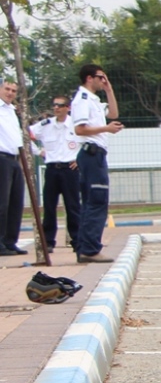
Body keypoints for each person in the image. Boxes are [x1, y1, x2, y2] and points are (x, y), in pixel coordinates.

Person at [70, 64, 122, 264]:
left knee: (92, 202)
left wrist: (109, 90)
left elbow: (114, 114)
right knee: (97, 201)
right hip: (91, 154)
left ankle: (85, 248)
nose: (104, 81)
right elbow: (80, 129)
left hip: (96, 154)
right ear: (89, 78)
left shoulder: (94, 100)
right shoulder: (82, 99)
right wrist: (106, 129)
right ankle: (90, 249)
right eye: (101, 77)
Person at [30, 96, 80, 253]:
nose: (57, 108)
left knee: (73, 206)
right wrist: (38, 151)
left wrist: (80, 159)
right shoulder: (46, 125)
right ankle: (48, 242)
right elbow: (26, 135)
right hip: (52, 169)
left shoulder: (75, 124)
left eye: (61, 105)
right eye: (54, 105)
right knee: (49, 206)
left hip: (70, 170)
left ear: (68, 107)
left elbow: (89, 141)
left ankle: (77, 240)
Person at [0, 81, 24, 256]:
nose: (10, 93)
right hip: (1, 157)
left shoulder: (12, 111)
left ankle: (10, 241)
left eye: (13, 91)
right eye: (7, 89)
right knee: (2, 203)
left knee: (16, 202)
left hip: (15, 158)